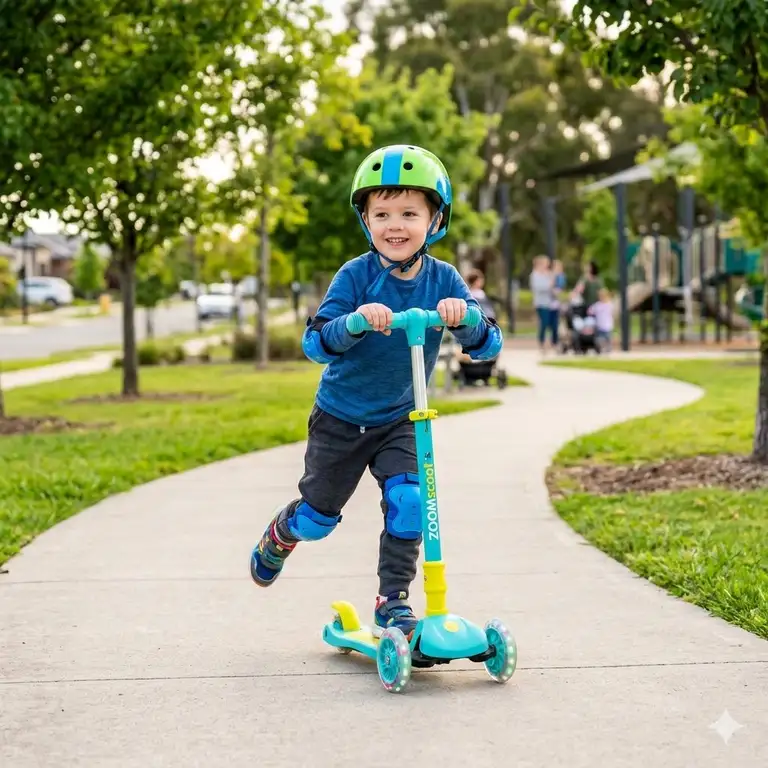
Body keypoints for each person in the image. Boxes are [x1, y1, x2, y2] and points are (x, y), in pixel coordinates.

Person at [249, 144, 503, 636]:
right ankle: (283, 532)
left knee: (410, 503)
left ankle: (394, 603)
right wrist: (356, 322)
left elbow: (489, 343)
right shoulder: (355, 275)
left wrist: (467, 318)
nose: (395, 224)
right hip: (342, 417)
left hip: (402, 420)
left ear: (434, 220)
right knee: (319, 520)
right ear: (366, 220)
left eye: (410, 212)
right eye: (382, 212)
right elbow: (315, 343)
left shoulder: (445, 279)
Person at [529, 255, 554, 353]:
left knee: (548, 322)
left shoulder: (546, 274)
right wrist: (549, 284)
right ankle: (542, 342)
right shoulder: (535, 275)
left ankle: (546, 341)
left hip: (547, 302)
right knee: (544, 322)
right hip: (540, 302)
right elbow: (538, 287)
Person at [588, 287, 614, 351]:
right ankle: (601, 348)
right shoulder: (597, 305)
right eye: (600, 296)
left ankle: (608, 349)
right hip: (600, 325)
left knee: (608, 339)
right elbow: (590, 311)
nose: (602, 298)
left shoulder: (609, 304)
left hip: (608, 325)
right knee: (599, 339)